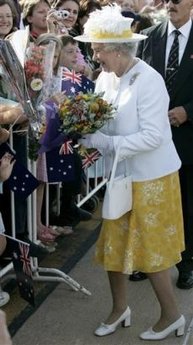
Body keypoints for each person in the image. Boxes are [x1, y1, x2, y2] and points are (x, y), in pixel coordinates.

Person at [76, 4, 185, 341]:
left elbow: (155, 135)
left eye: (98, 48)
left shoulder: (148, 80)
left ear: (118, 50)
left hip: (153, 178)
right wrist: (82, 128)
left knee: (152, 252)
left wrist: (104, 142)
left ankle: (172, 316)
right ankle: (119, 309)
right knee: (114, 246)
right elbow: (100, 119)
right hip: (122, 176)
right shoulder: (106, 76)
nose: (94, 55)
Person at [137, 0, 193, 290]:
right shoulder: (152, 37)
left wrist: (188, 111)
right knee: (150, 202)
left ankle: (186, 263)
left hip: (188, 138)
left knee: (186, 203)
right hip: (152, 137)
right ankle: (150, 261)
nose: (171, 3)